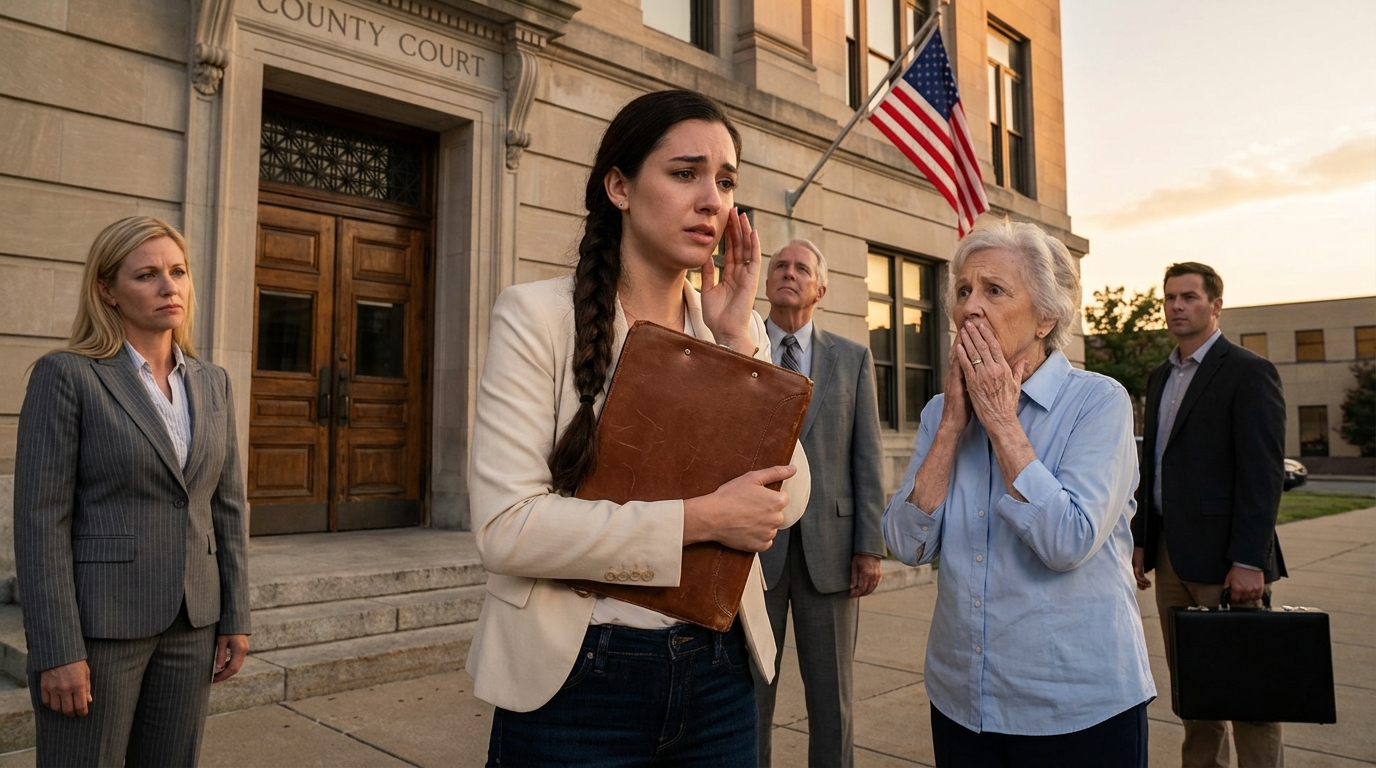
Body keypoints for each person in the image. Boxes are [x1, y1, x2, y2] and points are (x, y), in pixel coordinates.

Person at [465, 89, 810, 766]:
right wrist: (701, 519)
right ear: (619, 186)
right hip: (577, 682)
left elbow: (788, 499)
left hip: (720, 675)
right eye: (685, 174)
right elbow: (506, 529)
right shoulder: (536, 318)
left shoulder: (729, 329)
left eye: (726, 180)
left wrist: (739, 338)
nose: (713, 199)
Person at [882, 220, 1155, 767]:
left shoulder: (1099, 403)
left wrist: (1003, 423)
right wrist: (953, 428)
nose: (969, 308)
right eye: (963, 291)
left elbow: (1067, 541)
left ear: (1046, 317)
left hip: (1077, 710)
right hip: (963, 703)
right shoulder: (942, 413)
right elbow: (905, 545)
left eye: (994, 290)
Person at [14, 216, 252, 767]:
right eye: (147, 275)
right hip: (100, 630)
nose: (170, 287)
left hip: (193, 624)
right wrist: (57, 650)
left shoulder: (212, 382)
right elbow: (39, 522)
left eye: (178, 271)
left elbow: (227, 508)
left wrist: (235, 614)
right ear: (107, 290)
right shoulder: (67, 375)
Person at [1131, 262, 1287, 768]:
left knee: (1249, 699)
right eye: (1170, 298)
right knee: (1196, 697)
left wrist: (1249, 560)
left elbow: (1262, 476)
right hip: (1171, 558)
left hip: (1227, 564)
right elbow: (1153, 467)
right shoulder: (1160, 377)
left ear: (1216, 305)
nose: (1177, 307)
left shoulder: (1248, 371)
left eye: (1190, 297)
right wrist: (1141, 541)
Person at [754, 239, 885, 768]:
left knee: (833, 703)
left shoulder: (851, 358)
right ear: (766, 283)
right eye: (779, 266)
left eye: (801, 268)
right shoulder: (738, 346)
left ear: (821, 288)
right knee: (749, 698)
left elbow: (867, 456)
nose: (788, 273)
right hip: (753, 553)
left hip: (831, 556)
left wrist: (869, 546)